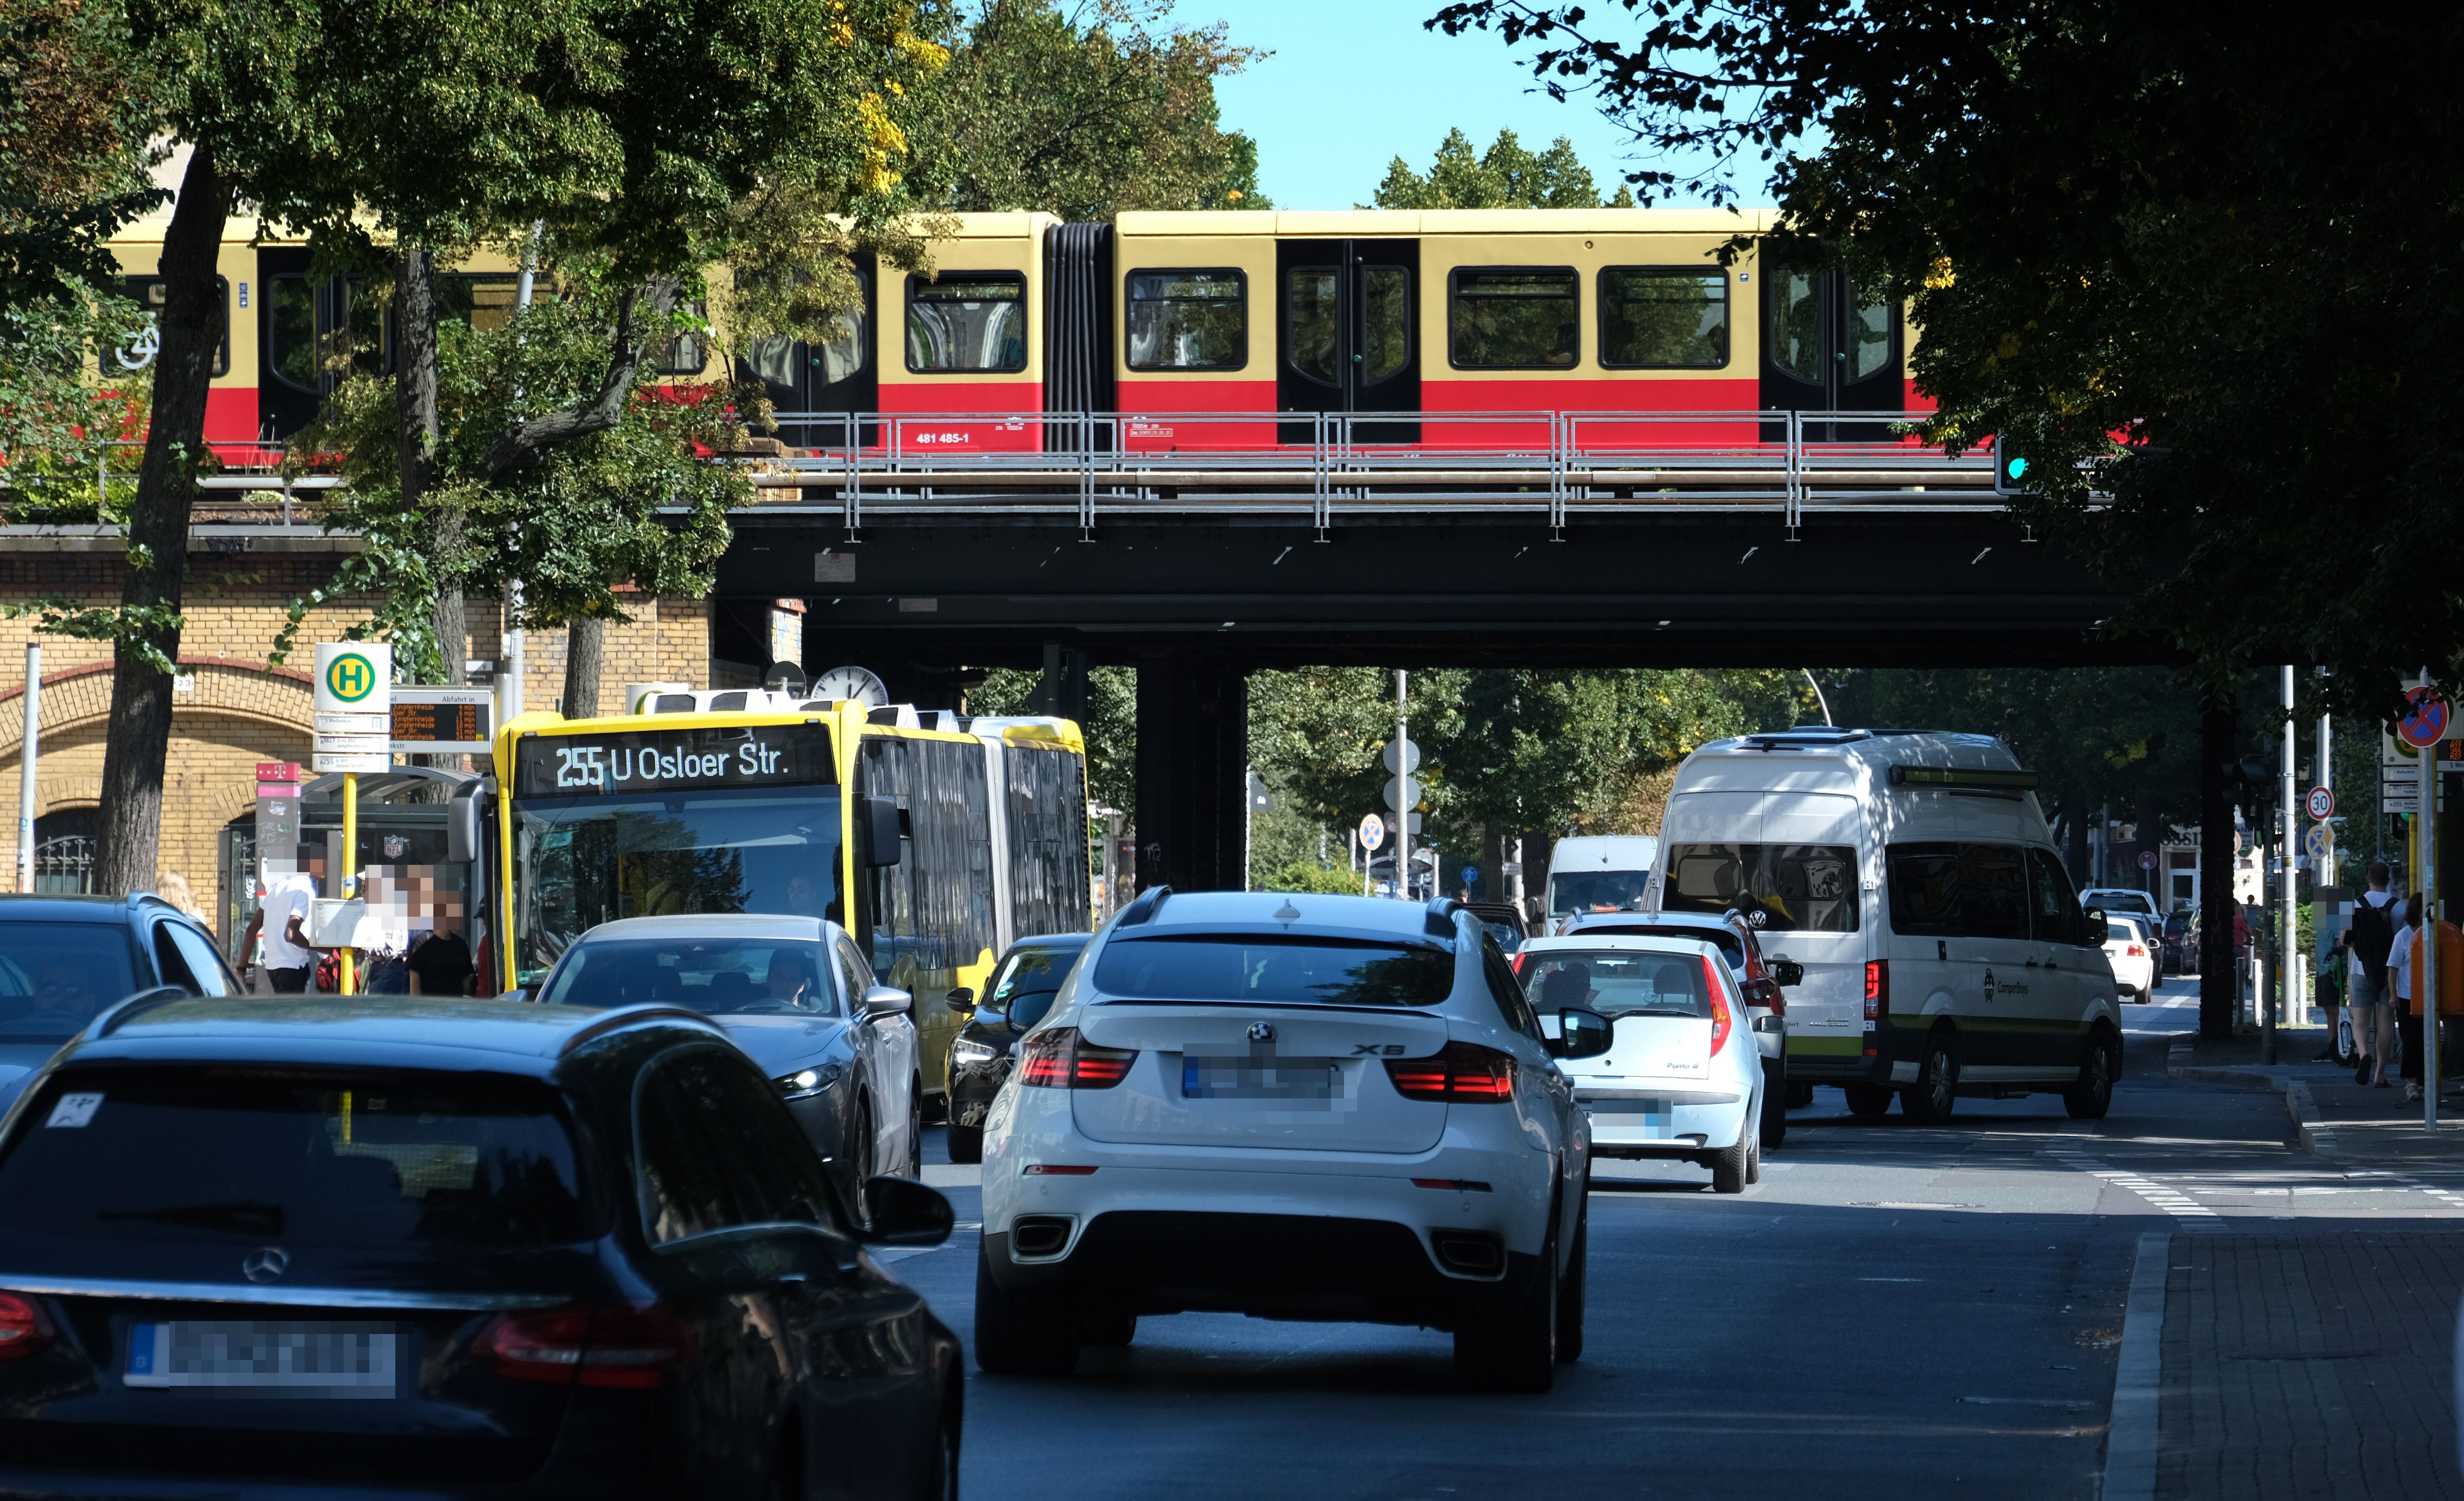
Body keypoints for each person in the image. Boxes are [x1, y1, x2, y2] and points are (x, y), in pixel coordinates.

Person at [2347, 862, 2399, 1087]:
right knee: (2386, 1022)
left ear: (2368, 878)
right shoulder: (2399, 907)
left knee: (2360, 1022)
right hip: (2390, 973)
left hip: (2361, 971)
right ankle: (2380, 1074)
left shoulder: (2352, 904)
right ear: (2388, 880)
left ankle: (2363, 1053)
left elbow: (2344, 940)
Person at [240, 870, 319, 993]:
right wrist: (327, 950)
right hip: (293, 966)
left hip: (272, 967)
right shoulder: (305, 891)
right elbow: (291, 935)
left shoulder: (275, 889)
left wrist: (241, 968)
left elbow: (251, 930)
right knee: (293, 1006)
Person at [404, 918, 477, 996]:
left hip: (455, 1001)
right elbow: (414, 975)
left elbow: (466, 979)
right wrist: (418, 1002)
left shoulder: (461, 945)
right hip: (429, 1001)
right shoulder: (422, 941)